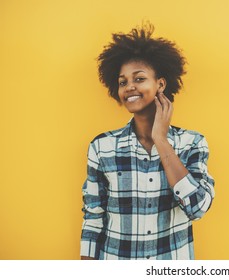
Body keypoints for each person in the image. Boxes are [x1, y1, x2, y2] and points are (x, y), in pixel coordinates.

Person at [80, 22, 215, 260]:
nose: (130, 86)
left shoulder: (192, 144)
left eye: (139, 78)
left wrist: (161, 140)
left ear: (160, 84)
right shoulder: (102, 147)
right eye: (123, 82)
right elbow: (93, 217)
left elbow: (198, 208)